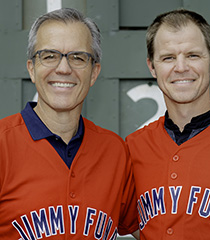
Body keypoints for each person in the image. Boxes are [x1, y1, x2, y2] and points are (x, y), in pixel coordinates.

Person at [0, 8, 139, 239]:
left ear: (94, 73)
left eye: (78, 57)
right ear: (32, 69)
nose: (64, 68)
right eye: (49, 56)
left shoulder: (114, 151)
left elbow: (153, 228)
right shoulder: (3, 145)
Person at [126, 9, 210, 239]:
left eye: (193, 55)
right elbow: (135, 225)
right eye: (168, 57)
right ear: (152, 66)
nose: (181, 67)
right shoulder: (134, 146)